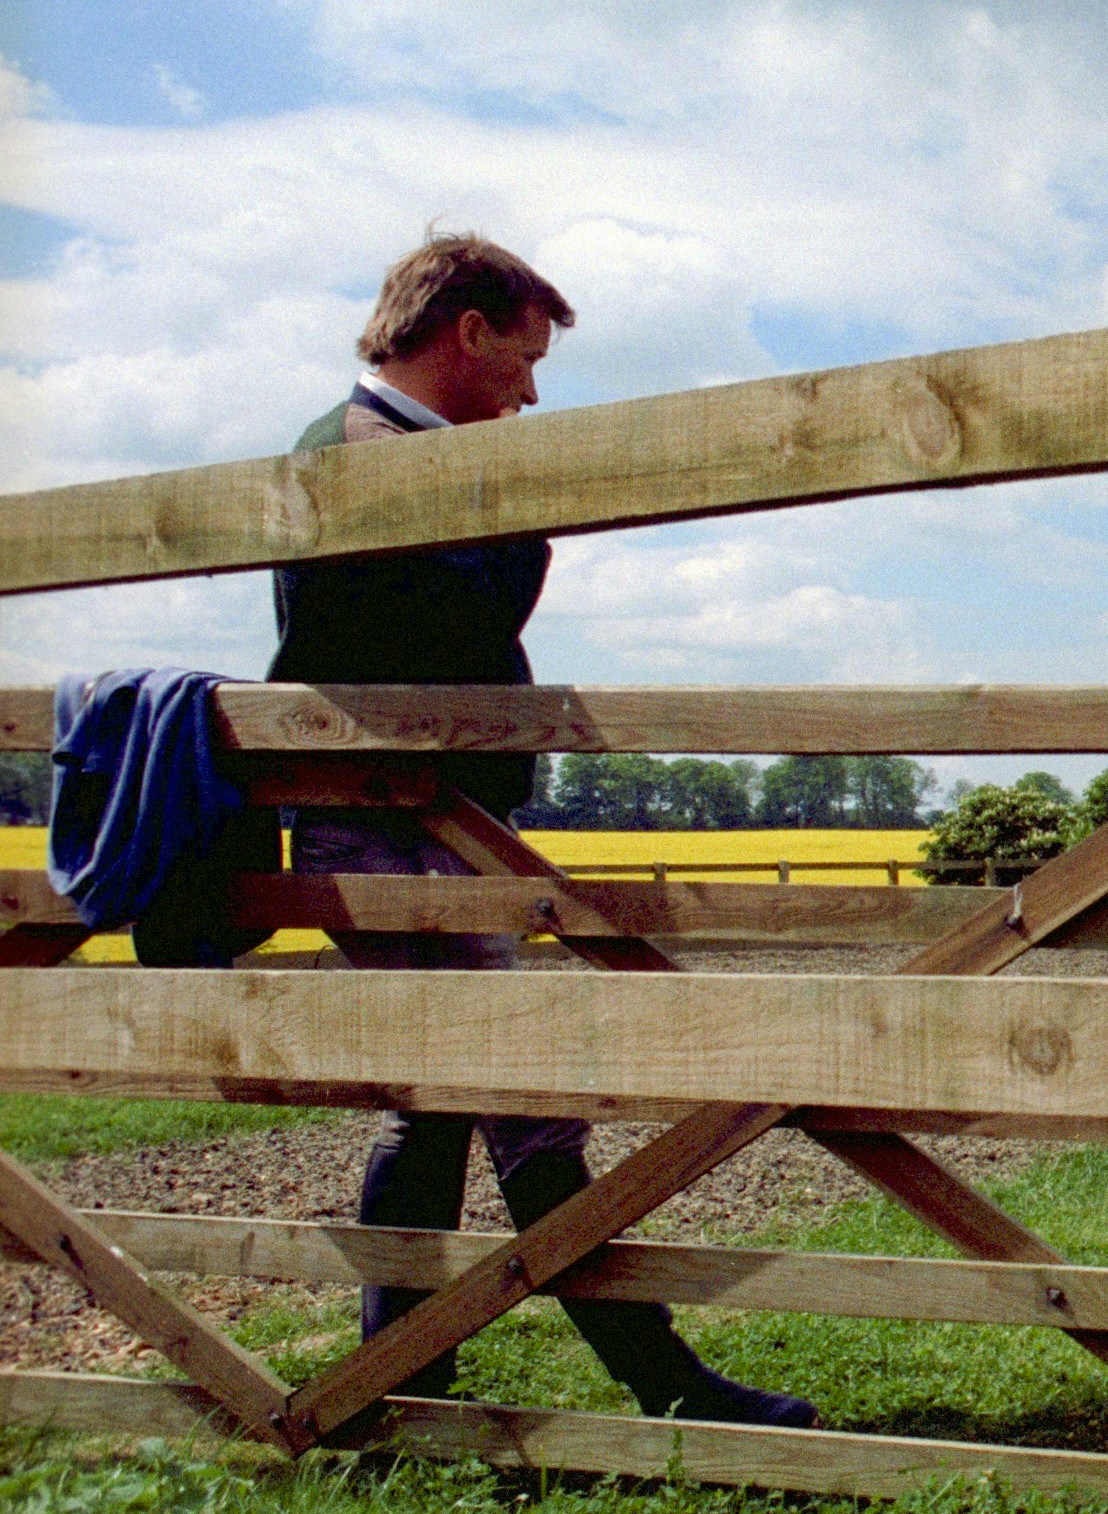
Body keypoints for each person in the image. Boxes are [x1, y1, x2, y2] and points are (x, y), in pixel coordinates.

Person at [274, 232, 815, 1428]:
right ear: (468, 331)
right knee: (510, 1089)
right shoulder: (357, 457)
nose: (531, 391)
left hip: (431, 818)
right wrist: (525, 509)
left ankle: (399, 1374)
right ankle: (655, 1382)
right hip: (389, 824)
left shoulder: (396, 453)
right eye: (524, 356)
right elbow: (442, 624)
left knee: (452, 1088)